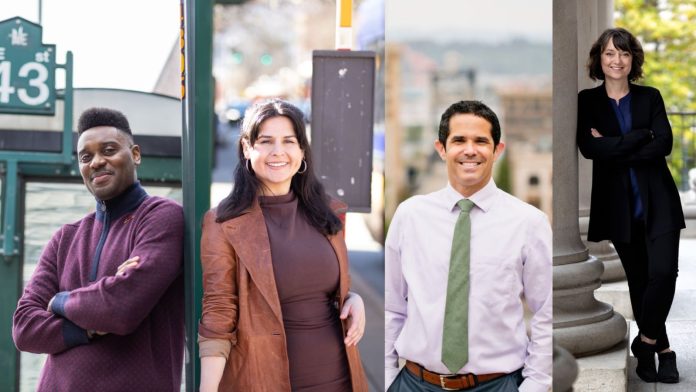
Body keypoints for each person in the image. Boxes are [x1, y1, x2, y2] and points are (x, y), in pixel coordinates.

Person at [197, 99, 368, 392]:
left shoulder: (328, 213)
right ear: (247, 149)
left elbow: (318, 284)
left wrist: (353, 298)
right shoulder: (223, 223)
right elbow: (218, 312)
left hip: (339, 377)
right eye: (265, 141)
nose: (278, 151)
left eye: (288, 141)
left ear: (302, 152)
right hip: (266, 380)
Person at [12, 107, 185, 391]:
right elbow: (24, 327)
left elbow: (121, 307)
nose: (96, 162)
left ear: (136, 154)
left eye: (108, 150)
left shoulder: (161, 217)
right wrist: (87, 326)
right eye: (86, 156)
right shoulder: (65, 239)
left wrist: (57, 302)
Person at [385, 100, 552, 392]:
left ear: (498, 150)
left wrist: (535, 385)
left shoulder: (529, 222)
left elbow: (547, 311)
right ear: (441, 149)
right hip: (414, 383)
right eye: (459, 140)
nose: (470, 150)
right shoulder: (410, 216)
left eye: (481, 141)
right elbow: (392, 307)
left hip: (498, 384)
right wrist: (388, 380)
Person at [577, 27, 684, 384]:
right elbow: (590, 150)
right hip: (618, 206)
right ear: (600, 59)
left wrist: (614, 145)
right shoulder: (587, 101)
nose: (617, 60)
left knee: (664, 274)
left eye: (623, 54)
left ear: (632, 59)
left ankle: (646, 341)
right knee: (640, 281)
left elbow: (664, 144)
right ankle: (662, 352)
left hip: (660, 202)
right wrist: (639, 138)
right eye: (609, 54)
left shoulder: (650, 97)